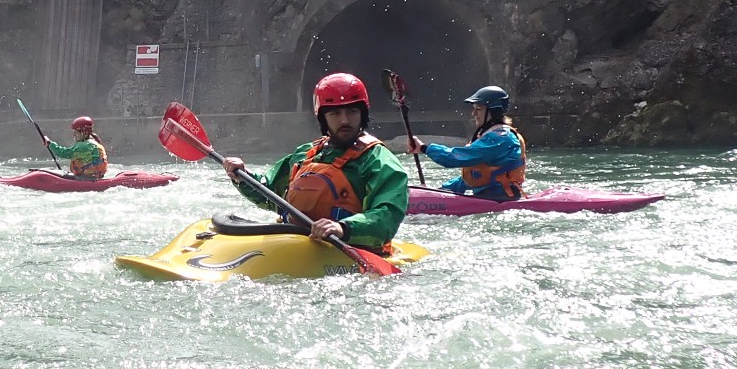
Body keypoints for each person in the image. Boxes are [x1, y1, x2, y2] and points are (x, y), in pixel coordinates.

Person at [220, 72, 410, 249]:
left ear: (363, 114)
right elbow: (269, 193)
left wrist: (343, 228)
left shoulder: (378, 161)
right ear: (323, 118)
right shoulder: (305, 154)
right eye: (335, 114)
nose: (345, 120)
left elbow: (387, 215)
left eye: (352, 111)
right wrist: (242, 176)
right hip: (298, 244)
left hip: (351, 250)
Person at [412, 85, 527, 200]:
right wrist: (441, 190)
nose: (474, 114)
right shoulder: (490, 135)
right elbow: (473, 175)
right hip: (489, 195)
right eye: (474, 109)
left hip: (502, 197)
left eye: (479, 109)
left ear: (494, 111)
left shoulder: (501, 138)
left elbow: (456, 157)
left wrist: (424, 148)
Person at [45, 115, 108, 179]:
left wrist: (50, 144)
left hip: (86, 178)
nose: (74, 135)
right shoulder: (95, 143)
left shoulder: (82, 146)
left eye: (76, 132)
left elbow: (62, 153)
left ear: (83, 133)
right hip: (96, 176)